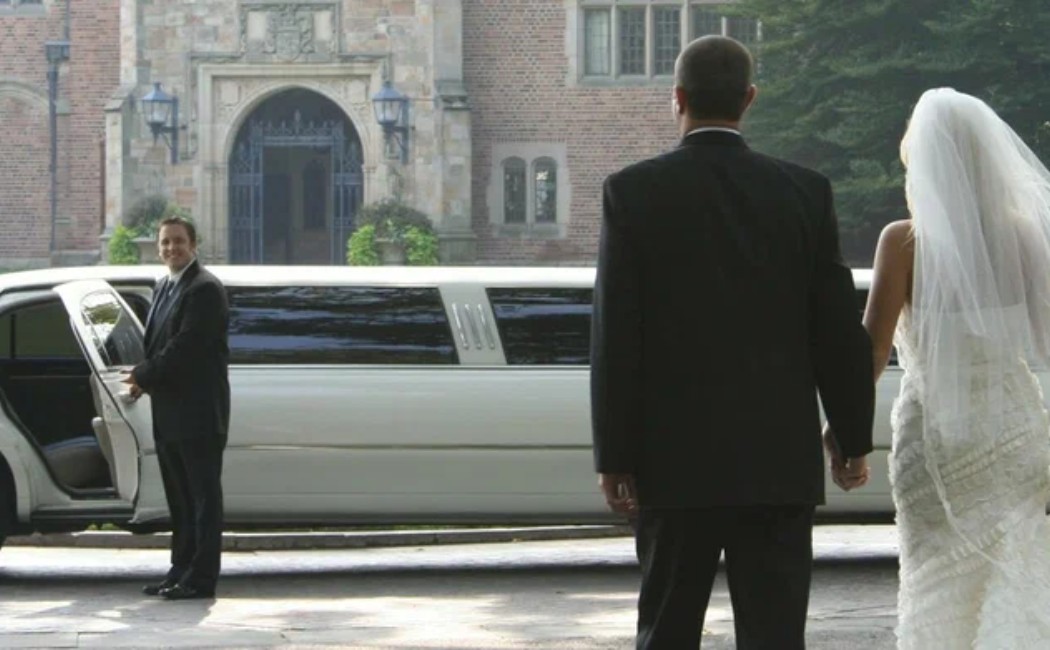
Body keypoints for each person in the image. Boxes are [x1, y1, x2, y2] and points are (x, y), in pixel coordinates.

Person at [590, 35, 875, 650]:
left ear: (677, 99)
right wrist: (851, 436)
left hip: (672, 463)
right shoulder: (805, 192)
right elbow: (835, 329)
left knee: (666, 630)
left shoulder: (632, 193)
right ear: (749, 99)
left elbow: (617, 335)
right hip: (777, 463)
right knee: (775, 636)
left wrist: (614, 455)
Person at [857, 88, 1050, 648]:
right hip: (1014, 430)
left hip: (937, 438)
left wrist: (841, 431)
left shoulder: (903, 243)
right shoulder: (1026, 239)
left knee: (936, 574)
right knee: (1016, 565)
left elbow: (870, 352)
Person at [123, 215, 230, 601]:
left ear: (194, 245)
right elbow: (157, 345)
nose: (171, 248)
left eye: (178, 241)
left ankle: (201, 579)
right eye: (165, 242)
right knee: (180, 500)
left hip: (199, 414)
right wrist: (143, 381)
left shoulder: (204, 289)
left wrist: (142, 374)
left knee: (202, 500)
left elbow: (185, 348)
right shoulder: (165, 286)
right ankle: (179, 570)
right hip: (169, 412)